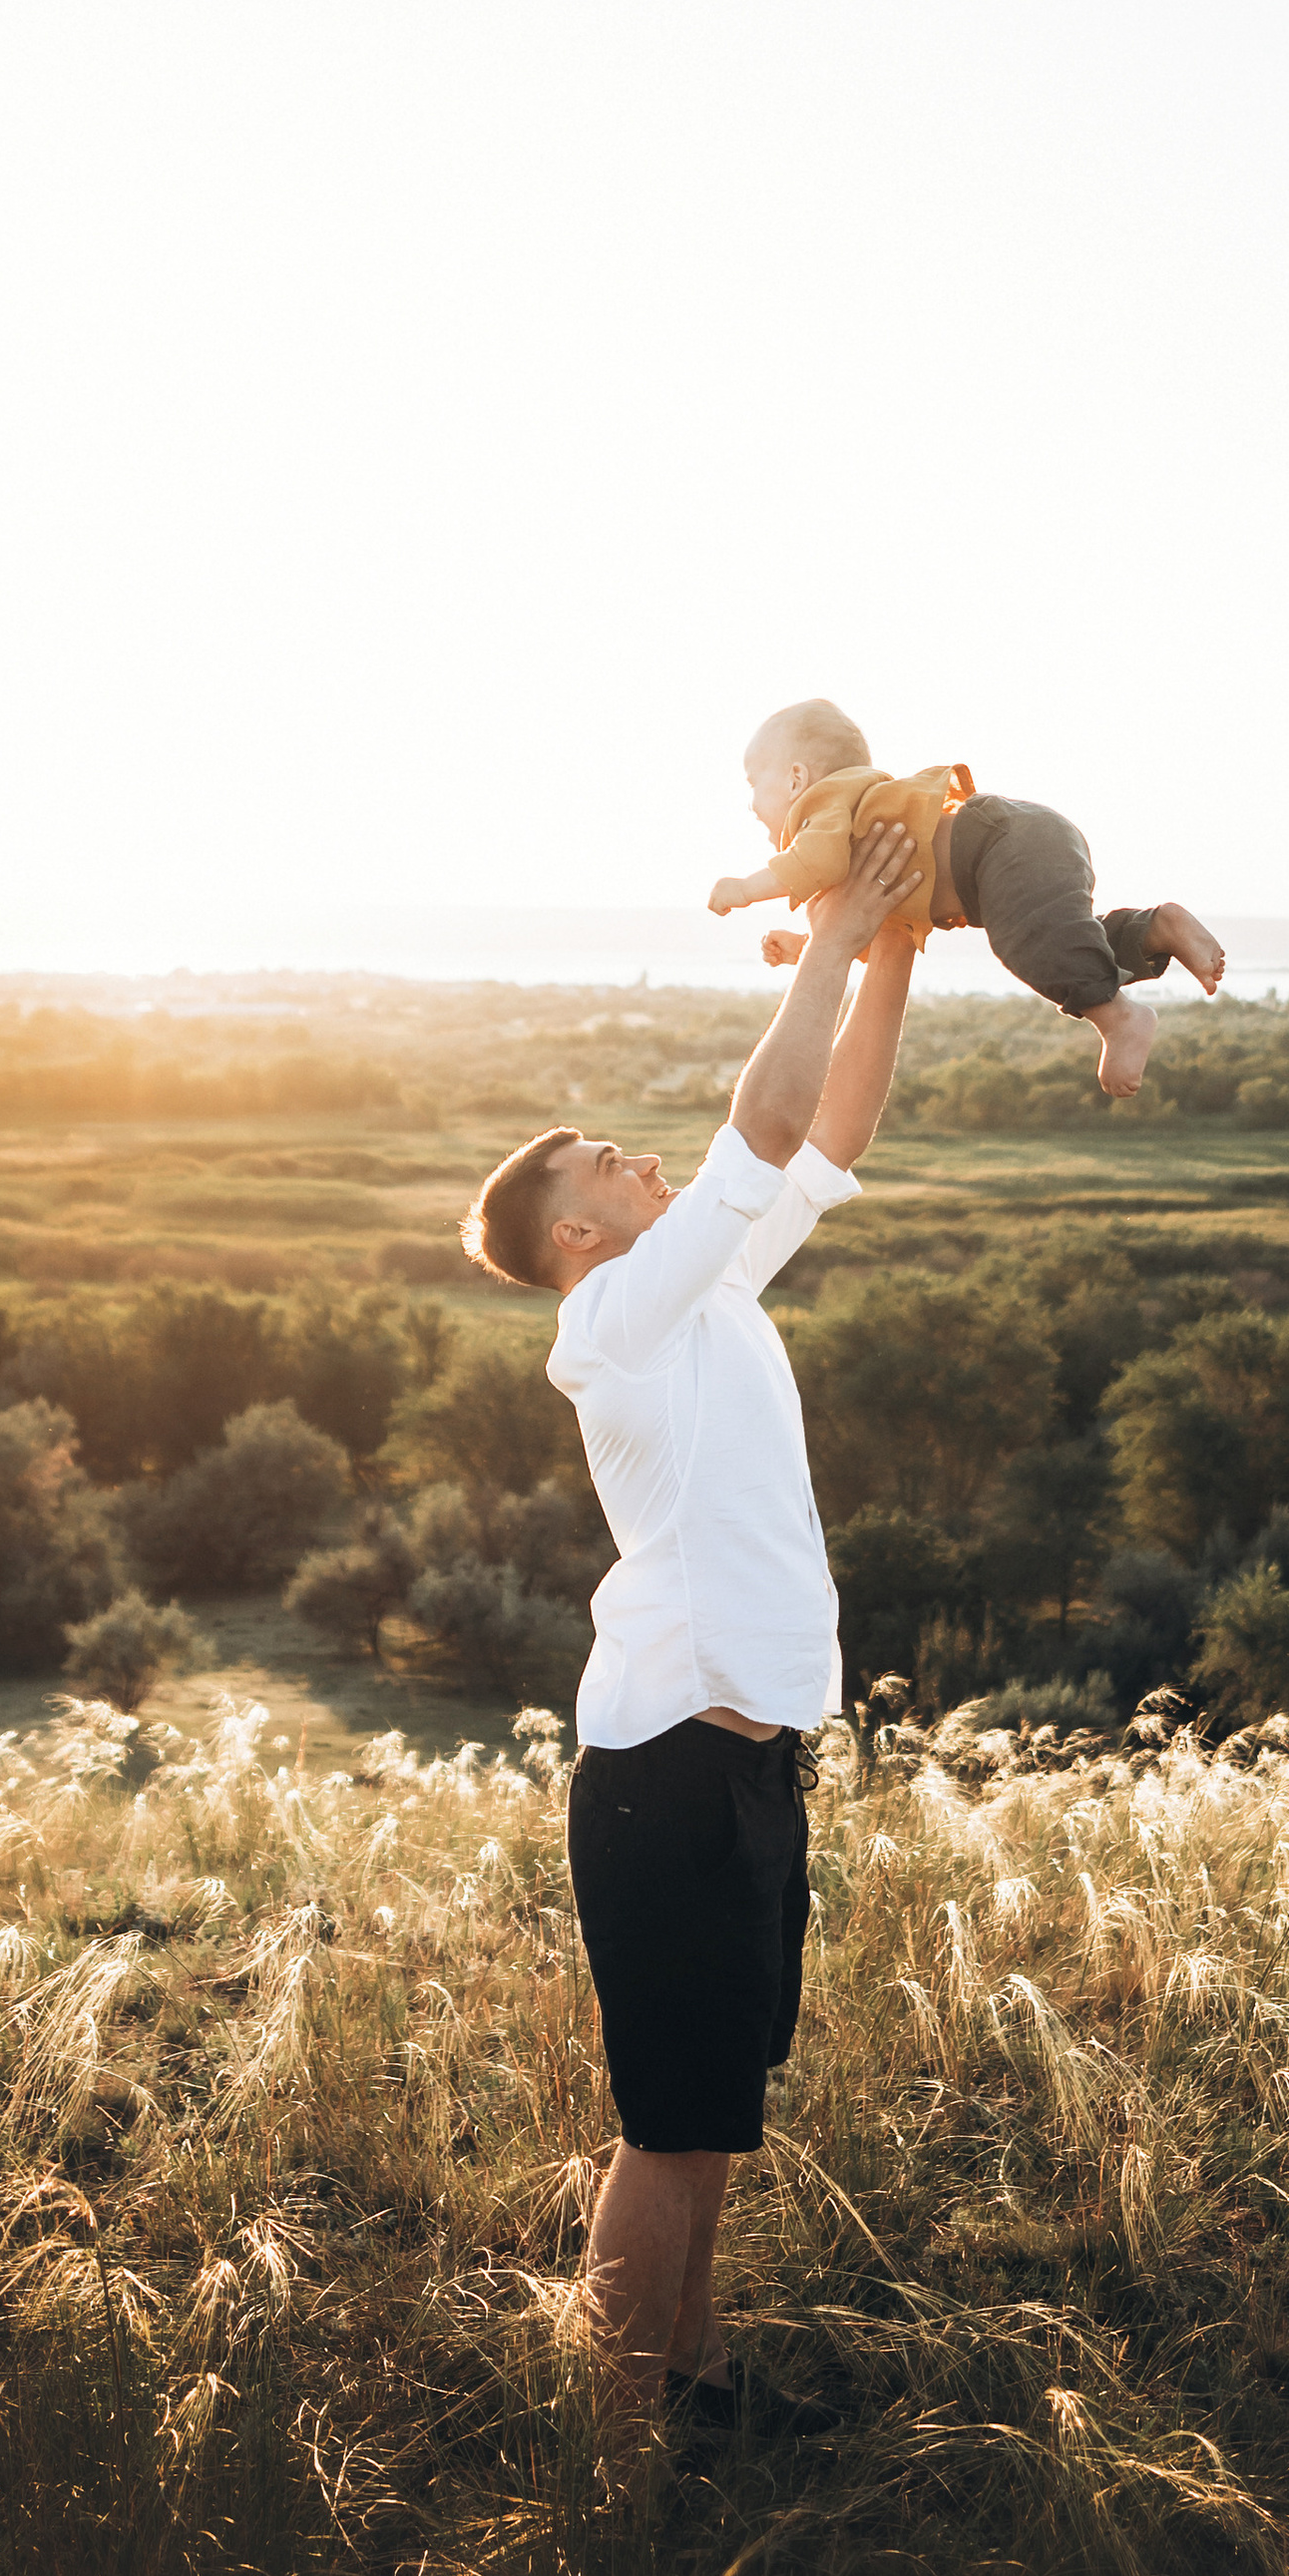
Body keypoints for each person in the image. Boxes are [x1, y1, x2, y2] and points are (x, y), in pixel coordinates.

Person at [461, 817, 924, 2454]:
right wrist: (847, 911)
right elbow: (765, 1113)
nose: (643, 1162)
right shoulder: (613, 1318)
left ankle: (701, 2379)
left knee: (716, 2115)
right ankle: (615, 2436)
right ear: (575, 1234)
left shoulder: (708, 1287)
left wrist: (892, 953)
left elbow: (829, 1131)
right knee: (667, 2127)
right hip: (663, 1764)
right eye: (608, 1164)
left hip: (747, 1756)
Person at [707, 693, 1225, 1095]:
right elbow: (868, 934)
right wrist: (808, 949)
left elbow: (812, 862)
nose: (750, 803)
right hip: (1014, 847)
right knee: (1062, 939)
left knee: (1030, 945)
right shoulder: (856, 834)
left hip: (995, 847)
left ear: (798, 778)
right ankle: (1155, 929)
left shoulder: (823, 808)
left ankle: (1119, 1017)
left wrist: (748, 889)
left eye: (754, 783)